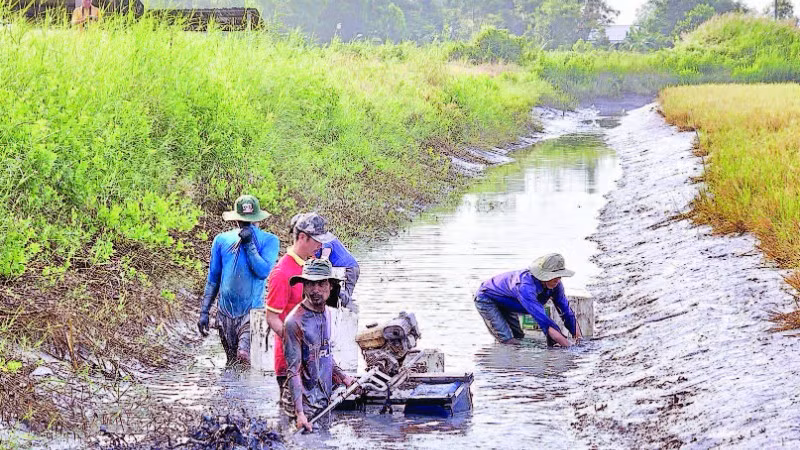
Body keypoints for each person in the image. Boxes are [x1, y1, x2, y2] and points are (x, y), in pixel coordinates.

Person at [197, 195, 280, 367]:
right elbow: (214, 278)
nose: (246, 225)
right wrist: (204, 311)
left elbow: (262, 272)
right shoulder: (222, 240)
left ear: (257, 220)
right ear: (236, 221)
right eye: (243, 221)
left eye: (249, 222)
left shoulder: (269, 240)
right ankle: (232, 393)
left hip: (252, 313)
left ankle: (250, 391)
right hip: (225, 313)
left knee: (243, 355)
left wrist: (249, 244)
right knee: (232, 363)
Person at [282, 258, 355, 432]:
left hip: (323, 400)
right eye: (309, 284)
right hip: (304, 406)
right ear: (303, 285)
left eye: (321, 283)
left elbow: (324, 352)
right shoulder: (294, 322)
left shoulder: (326, 313)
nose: (315, 290)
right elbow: (293, 371)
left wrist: (344, 377)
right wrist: (299, 413)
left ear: (330, 285)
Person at [266, 212, 336, 391]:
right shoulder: (282, 272)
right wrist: (296, 343)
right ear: (302, 237)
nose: (320, 245)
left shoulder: (312, 264)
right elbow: (272, 317)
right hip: (291, 363)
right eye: (317, 240)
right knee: (294, 414)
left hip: (314, 358)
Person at [474, 253, 582, 347]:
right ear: (543, 276)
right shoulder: (525, 287)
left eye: (560, 276)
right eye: (554, 277)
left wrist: (579, 339)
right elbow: (543, 320)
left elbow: (566, 312)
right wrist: (568, 347)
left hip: (508, 302)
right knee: (507, 340)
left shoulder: (556, 285)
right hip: (487, 298)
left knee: (519, 336)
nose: (557, 280)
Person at [314, 237, 359, 309]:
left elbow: (324, 260)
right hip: (338, 271)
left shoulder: (326, 240)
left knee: (344, 298)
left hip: (348, 269)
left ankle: (350, 314)